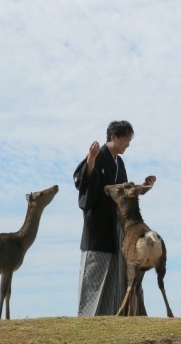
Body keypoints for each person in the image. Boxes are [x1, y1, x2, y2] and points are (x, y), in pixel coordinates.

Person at [73, 120, 153, 316]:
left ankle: (113, 314)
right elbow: (81, 182)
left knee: (118, 272)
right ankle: (89, 317)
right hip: (98, 227)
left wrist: (143, 188)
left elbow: (123, 192)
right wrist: (91, 160)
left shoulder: (119, 162)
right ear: (114, 137)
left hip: (117, 227)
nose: (128, 144)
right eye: (126, 139)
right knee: (95, 272)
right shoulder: (98, 155)